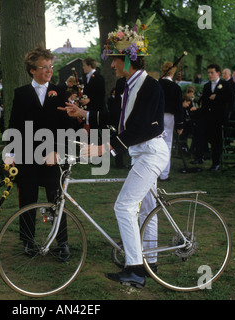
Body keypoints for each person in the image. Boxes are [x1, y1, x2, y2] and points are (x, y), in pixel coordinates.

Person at [59, 19, 168, 288]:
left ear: (130, 60)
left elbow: (140, 128)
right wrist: (83, 113)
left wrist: (105, 147)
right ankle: (150, 261)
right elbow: (116, 119)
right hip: (141, 154)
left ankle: (135, 268)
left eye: (115, 59)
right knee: (147, 210)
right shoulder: (126, 86)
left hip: (152, 152)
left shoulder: (151, 87)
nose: (111, 64)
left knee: (124, 206)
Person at [5, 46, 76, 261]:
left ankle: (62, 242)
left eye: (50, 67)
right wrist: (9, 152)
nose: (49, 71)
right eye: (44, 67)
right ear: (31, 70)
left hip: (52, 158)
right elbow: (14, 124)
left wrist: (58, 151)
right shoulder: (21, 93)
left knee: (57, 199)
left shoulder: (60, 93)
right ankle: (28, 240)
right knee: (27, 199)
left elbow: (67, 128)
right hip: (26, 156)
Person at [200, 63, 233, 171]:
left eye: (212, 72)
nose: (210, 75)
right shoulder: (206, 86)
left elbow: (230, 99)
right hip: (208, 117)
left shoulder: (225, 84)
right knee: (206, 138)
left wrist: (217, 96)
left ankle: (216, 163)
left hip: (219, 118)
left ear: (218, 73)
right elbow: (204, 101)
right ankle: (203, 156)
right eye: (208, 73)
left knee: (217, 141)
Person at [158, 61, 184, 181]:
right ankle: (164, 174)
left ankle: (155, 172)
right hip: (169, 118)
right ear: (172, 73)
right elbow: (179, 107)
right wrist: (180, 124)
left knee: (155, 144)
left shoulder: (156, 84)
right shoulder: (175, 87)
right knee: (167, 145)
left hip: (156, 116)